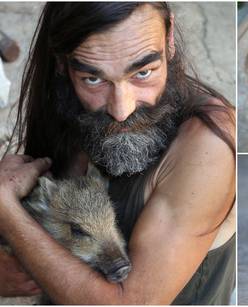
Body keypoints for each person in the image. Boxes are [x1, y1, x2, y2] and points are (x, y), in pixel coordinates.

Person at [0, 2, 235, 304]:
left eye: (143, 71)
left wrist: (7, 211)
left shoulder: (208, 143)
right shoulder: (69, 103)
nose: (121, 110)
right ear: (62, 63)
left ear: (170, 37)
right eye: (93, 79)